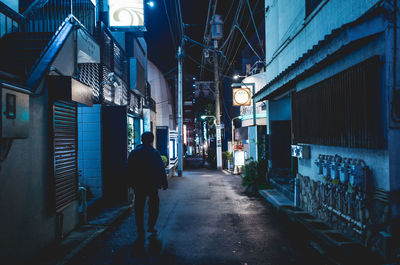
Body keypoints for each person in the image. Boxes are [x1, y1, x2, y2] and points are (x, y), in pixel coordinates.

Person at [126, 132, 168, 241]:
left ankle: (140, 228)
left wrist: (129, 183)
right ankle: (151, 226)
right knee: (154, 205)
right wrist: (164, 182)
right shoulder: (154, 153)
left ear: (141, 139)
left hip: (138, 184)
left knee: (139, 206)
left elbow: (129, 169)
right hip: (152, 183)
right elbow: (160, 169)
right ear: (152, 140)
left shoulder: (134, 152)